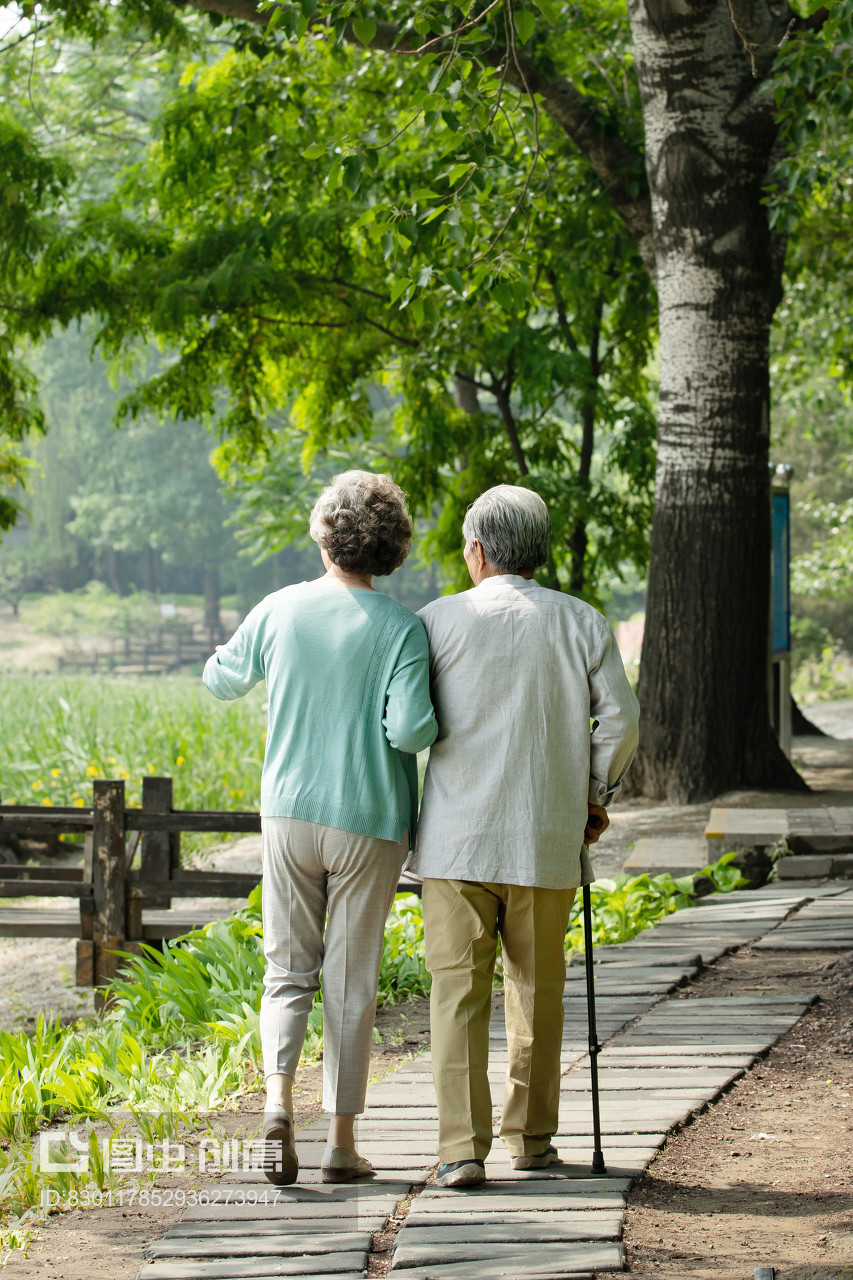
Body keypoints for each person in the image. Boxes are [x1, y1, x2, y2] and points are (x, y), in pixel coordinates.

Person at [203, 470, 437, 1186]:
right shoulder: (402, 627)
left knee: (286, 969)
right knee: (350, 978)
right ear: (393, 546)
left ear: (323, 533)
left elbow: (220, 678)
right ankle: (339, 1142)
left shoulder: (279, 609)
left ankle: (276, 1102)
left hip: (289, 812)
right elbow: (411, 729)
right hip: (370, 819)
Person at [411, 484, 639, 1188]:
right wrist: (594, 797)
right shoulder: (580, 622)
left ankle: (459, 1150)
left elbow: (407, 721)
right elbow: (622, 721)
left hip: (455, 840)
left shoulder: (436, 622)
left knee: (456, 996)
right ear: (535, 551)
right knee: (538, 994)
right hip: (545, 835)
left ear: (477, 551)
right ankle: (532, 1140)